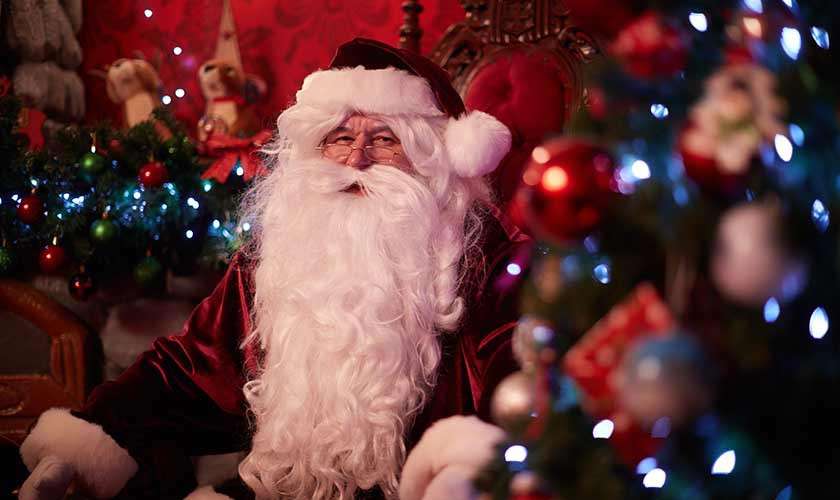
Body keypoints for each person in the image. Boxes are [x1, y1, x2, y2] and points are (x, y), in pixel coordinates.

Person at [18, 38, 529, 500]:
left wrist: (473, 474)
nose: (356, 160)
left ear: (429, 158)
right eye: (339, 138)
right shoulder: (281, 254)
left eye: (384, 140)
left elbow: (519, 381)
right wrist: (88, 441)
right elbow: (191, 367)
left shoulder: (479, 256)